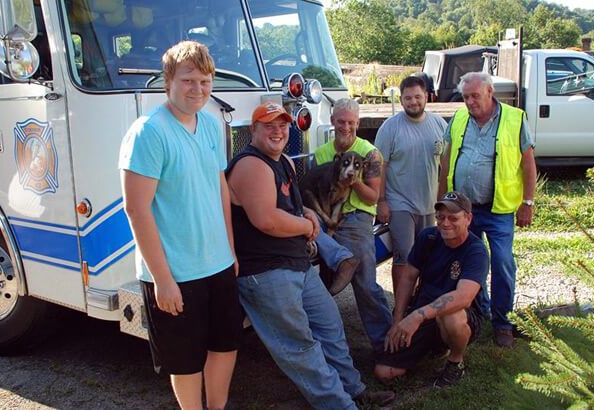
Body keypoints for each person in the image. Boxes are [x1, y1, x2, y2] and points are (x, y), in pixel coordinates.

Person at [226, 101, 395, 409]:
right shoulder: (251, 165)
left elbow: (290, 205)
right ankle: (340, 405)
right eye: (269, 126)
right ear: (254, 130)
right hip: (266, 272)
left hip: (296, 264)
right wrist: (307, 223)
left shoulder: (285, 163)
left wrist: (306, 212)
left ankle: (355, 391)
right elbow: (266, 219)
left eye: (282, 125)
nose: (278, 132)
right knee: (300, 345)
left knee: (331, 326)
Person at [119, 41, 241, 410]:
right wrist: (163, 279)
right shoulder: (148, 133)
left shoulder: (208, 123)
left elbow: (220, 187)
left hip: (217, 263)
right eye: (188, 80)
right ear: (168, 81)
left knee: (225, 344)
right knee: (185, 360)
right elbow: (136, 210)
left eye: (205, 81)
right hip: (177, 270)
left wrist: (230, 250)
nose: (198, 89)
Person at [438, 71, 537, 348]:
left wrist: (527, 203)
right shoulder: (458, 119)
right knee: (468, 263)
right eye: (466, 97)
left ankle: (503, 322)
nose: (470, 102)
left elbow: (528, 163)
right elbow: (446, 159)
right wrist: (443, 201)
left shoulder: (514, 119)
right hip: (463, 210)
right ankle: (481, 311)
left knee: (503, 262)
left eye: (475, 96)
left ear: (490, 93)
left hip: (498, 210)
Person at [374, 191, 489, 387]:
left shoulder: (476, 250)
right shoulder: (427, 237)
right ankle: (435, 347)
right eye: (441, 217)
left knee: (450, 316)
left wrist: (417, 316)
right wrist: (398, 319)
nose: (445, 223)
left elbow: (464, 297)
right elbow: (408, 277)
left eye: (453, 218)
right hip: (424, 313)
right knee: (383, 372)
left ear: (468, 219)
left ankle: (455, 361)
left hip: (460, 316)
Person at [313, 98, 393, 351]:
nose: (345, 127)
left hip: (357, 216)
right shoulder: (321, 153)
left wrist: (353, 180)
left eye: (350, 122)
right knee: (324, 285)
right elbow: (317, 190)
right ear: (332, 121)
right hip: (326, 217)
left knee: (365, 284)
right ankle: (327, 346)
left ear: (357, 122)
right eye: (341, 121)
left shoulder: (369, 153)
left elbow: (371, 196)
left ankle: (386, 347)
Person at [375, 75, 448, 295]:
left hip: (429, 204)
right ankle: (401, 308)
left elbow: (446, 163)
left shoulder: (439, 124)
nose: (413, 102)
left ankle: (421, 303)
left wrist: (444, 200)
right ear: (401, 99)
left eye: (418, 97)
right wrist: (381, 201)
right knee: (404, 258)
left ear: (426, 96)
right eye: (408, 98)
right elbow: (380, 166)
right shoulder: (390, 128)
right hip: (400, 204)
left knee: (427, 257)